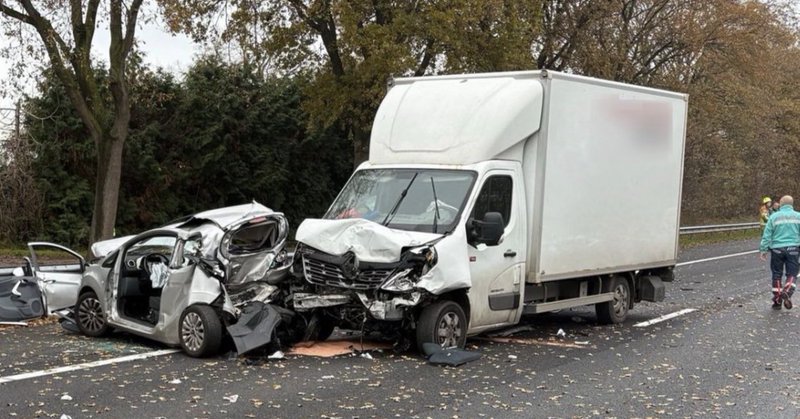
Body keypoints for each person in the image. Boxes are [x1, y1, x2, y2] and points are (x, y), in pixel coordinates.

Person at [759, 195, 800, 309]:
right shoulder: (798, 216)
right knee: (792, 273)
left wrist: (763, 249)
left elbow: (767, 235)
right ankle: (787, 291)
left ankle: (777, 301)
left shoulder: (774, 217)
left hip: (777, 249)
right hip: (793, 249)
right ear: (792, 204)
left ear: (781, 204)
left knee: (776, 274)